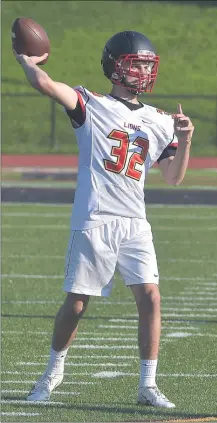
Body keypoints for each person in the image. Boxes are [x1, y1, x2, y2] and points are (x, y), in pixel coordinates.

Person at [13, 30, 194, 408]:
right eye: (137, 63)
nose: (144, 70)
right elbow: (47, 85)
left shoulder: (160, 120)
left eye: (148, 64)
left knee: (151, 298)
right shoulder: (90, 103)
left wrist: (186, 138)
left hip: (134, 222)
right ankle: (52, 374)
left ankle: (148, 384)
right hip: (95, 218)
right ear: (115, 67)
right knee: (77, 304)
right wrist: (27, 63)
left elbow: (174, 177)